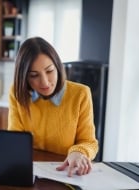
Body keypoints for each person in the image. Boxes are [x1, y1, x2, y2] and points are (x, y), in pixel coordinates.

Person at [8, 37, 98, 177]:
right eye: (34, 75)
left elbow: (89, 142)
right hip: (30, 172)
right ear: (24, 77)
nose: (44, 82)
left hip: (67, 173)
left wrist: (78, 152)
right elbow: (15, 140)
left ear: (58, 66)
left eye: (49, 71)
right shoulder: (18, 93)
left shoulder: (80, 94)